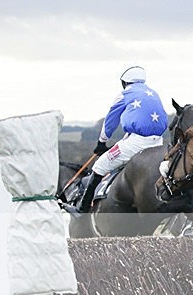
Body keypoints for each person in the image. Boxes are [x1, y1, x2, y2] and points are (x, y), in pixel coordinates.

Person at [68, 66, 168, 214]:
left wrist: (101, 142)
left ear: (125, 82)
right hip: (158, 142)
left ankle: (82, 209)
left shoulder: (125, 94)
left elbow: (111, 121)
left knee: (99, 166)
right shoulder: (153, 93)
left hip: (136, 142)